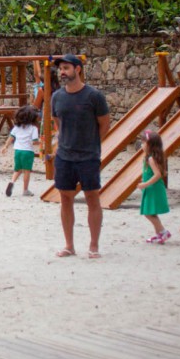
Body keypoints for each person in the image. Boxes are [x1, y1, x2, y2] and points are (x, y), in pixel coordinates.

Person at [51, 54, 110, 259]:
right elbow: (58, 122)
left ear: (78, 69)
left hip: (88, 156)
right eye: (60, 69)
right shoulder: (57, 96)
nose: (62, 72)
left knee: (92, 198)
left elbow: (104, 123)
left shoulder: (94, 96)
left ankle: (93, 246)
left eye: (66, 68)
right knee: (65, 198)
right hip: (64, 156)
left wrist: (92, 144)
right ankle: (69, 245)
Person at [137, 130, 171, 243]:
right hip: (151, 188)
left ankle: (163, 231)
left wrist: (145, 184)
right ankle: (159, 234)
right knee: (151, 212)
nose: (141, 145)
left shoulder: (151, 158)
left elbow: (157, 175)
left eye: (143, 142)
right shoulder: (149, 157)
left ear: (150, 145)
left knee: (148, 213)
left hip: (153, 189)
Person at [3, 105, 40, 197]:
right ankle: (25, 190)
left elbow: (11, 137)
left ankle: (12, 182)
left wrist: (5, 146)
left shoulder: (16, 128)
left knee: (18, 169)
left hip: (17, 151)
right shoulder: (33, 129)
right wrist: (41, 142)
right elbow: (34, 141)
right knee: (27, 171)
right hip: (27, 152)